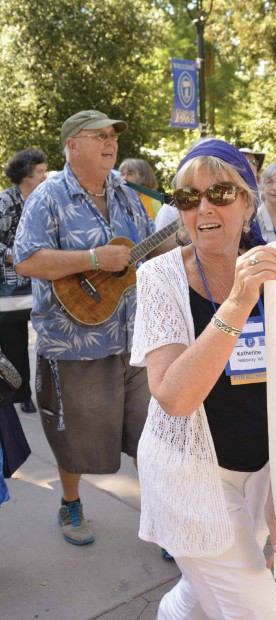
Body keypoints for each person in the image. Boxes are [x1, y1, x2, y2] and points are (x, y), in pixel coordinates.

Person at [130, 139, 276, 619]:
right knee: (255, 609)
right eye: (187, 197)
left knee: (201, 595)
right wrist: (236, 304)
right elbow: (174, 396)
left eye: (219, 192)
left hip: (262, 470)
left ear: (246, 201)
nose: (203, 207)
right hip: (190, 476)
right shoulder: (159, 277)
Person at [13, 110, 156, 545]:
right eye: (100, 136)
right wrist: (94, 259)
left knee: (151, 433)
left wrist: (186, 237)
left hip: (134, 341)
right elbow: (26, 259)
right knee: (72, 433)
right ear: (72, 144)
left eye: (113, 136)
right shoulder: (48, 195)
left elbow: (150, 243)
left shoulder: (127, 192)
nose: (111, 142)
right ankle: (70, 504)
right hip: (74, 344)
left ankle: (161, 518)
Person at [0, 149, 48, 414]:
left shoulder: (44, 200)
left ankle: (49, 390)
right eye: (40, 171)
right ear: (25, 174)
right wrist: (16, 258)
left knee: (49, 338)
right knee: (15, 342)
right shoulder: (5, 202)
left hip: (43, 282)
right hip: (12, 288)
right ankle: (22, 394)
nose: (44, 176)